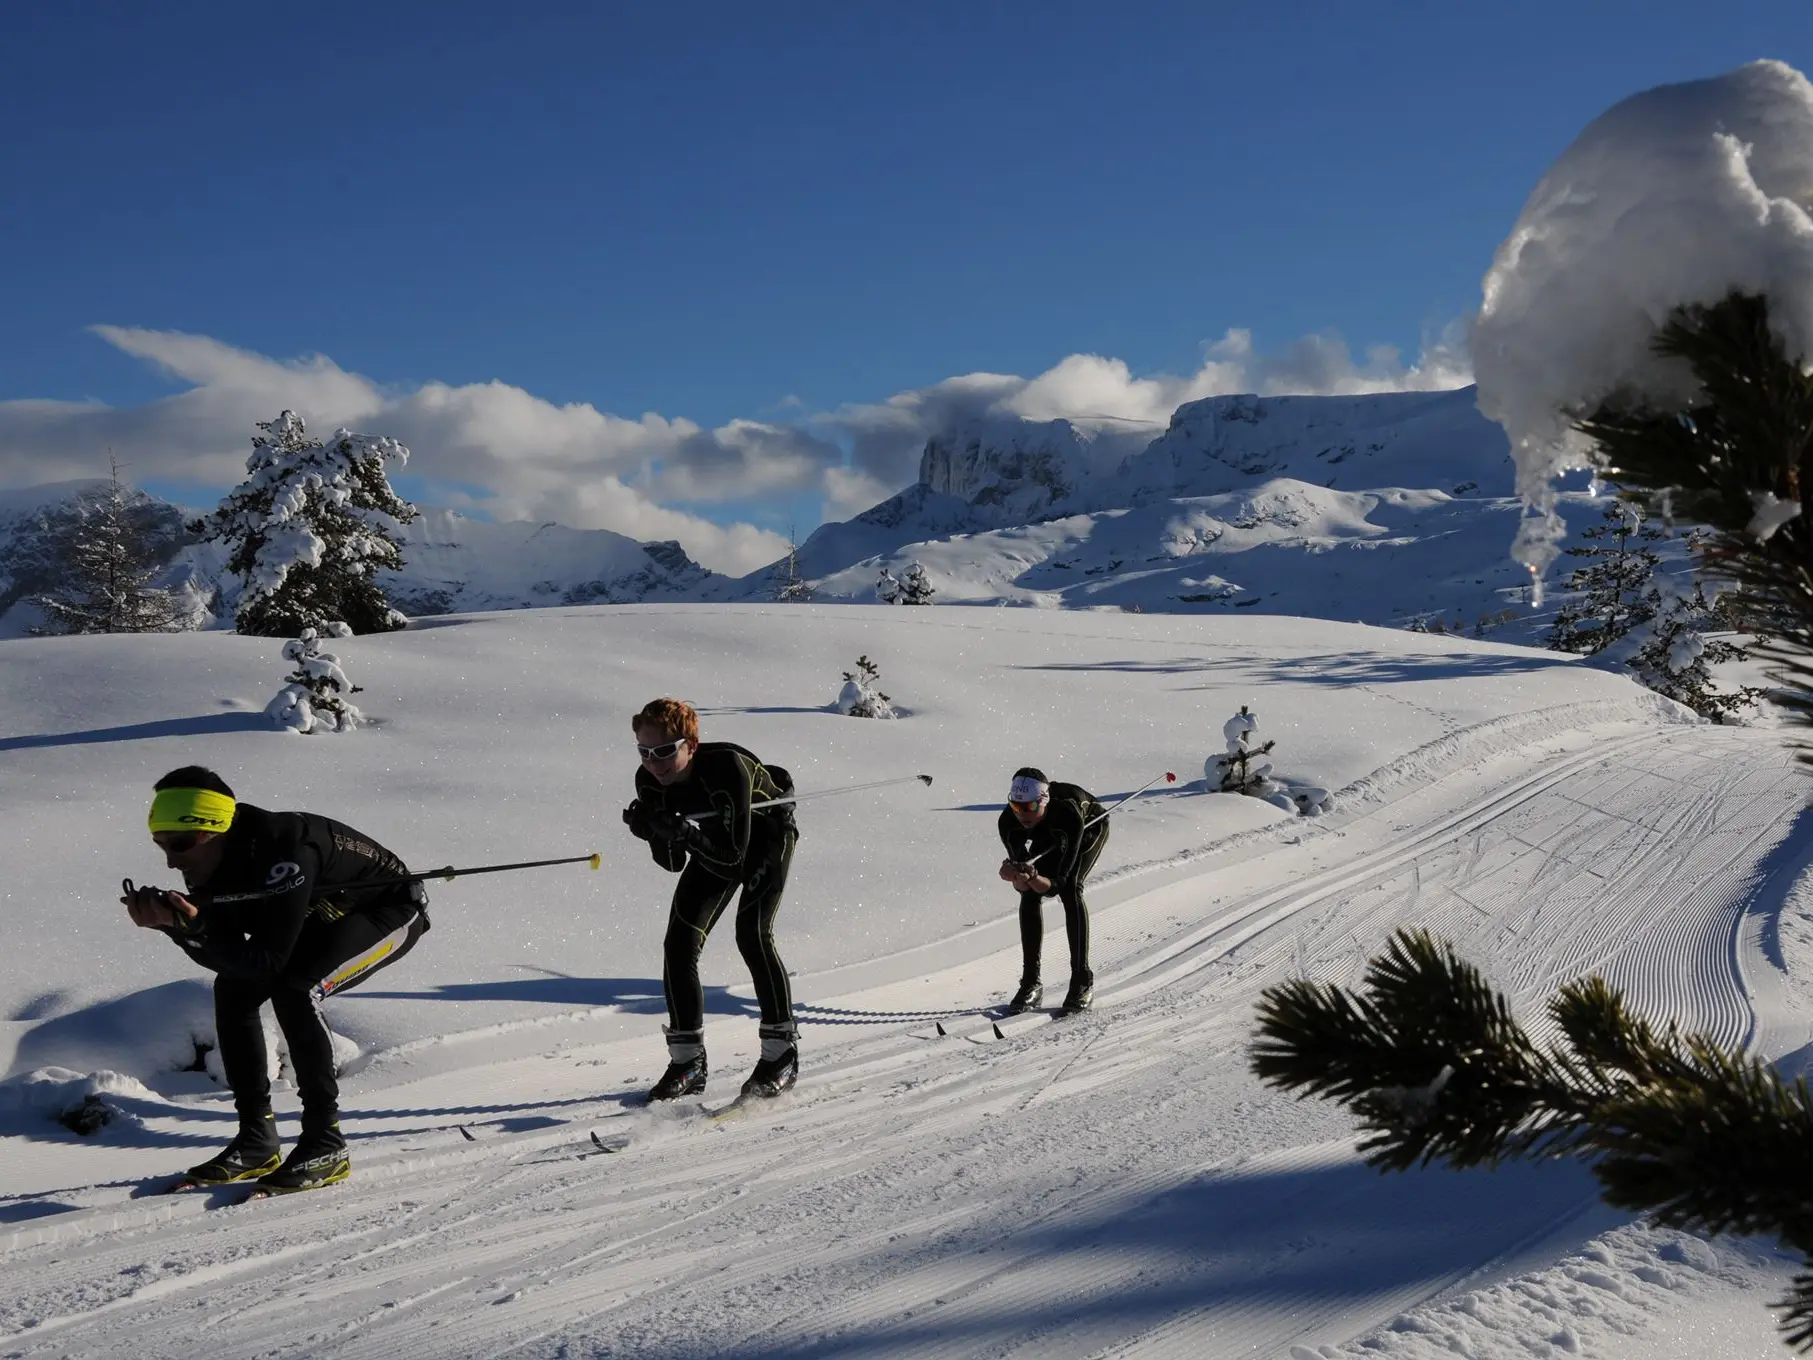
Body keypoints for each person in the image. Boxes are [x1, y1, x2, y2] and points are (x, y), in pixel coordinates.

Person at [121, 766, 429, 1192]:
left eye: (180, 844)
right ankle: (256, 1140)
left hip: (387, 910)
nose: (172, 860)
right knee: (231, 989)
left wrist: (191, 930)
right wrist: (181, 929)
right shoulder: (205, 862)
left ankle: (325, 1142)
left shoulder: (286, 849)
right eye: (161, 845)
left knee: (297, 989)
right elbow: (231, 959)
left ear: (213, 831)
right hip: (317, 917)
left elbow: (267, 962)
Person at [621, 698, 800, 1103]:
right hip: (711, 844)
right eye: (645, 752)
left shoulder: (727, 768)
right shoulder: (648, 781)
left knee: (752, 934)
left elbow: (736, 858)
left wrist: (686, 835)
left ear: (692, 746)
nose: (655, 763)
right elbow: (672, 862)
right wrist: (654, 832)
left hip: (766, 837)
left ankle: (781, 1053)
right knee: (679, 944)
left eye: (665, 751)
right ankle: (688, 1062)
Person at [996, 767, 1107, 1016]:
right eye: (1016, 807)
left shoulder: (1068, 815)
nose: (1023, 814)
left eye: (1030, 807)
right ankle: (1030, 982)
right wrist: (1017, 877)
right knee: (1029, 895)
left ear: (1043, 801)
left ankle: (1081, 980)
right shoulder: (1008, 823)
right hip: (1049, 830)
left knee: (1071, 891)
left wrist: (1033, 876)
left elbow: (1056, 886)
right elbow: (1025, 886)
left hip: (1087, 827)